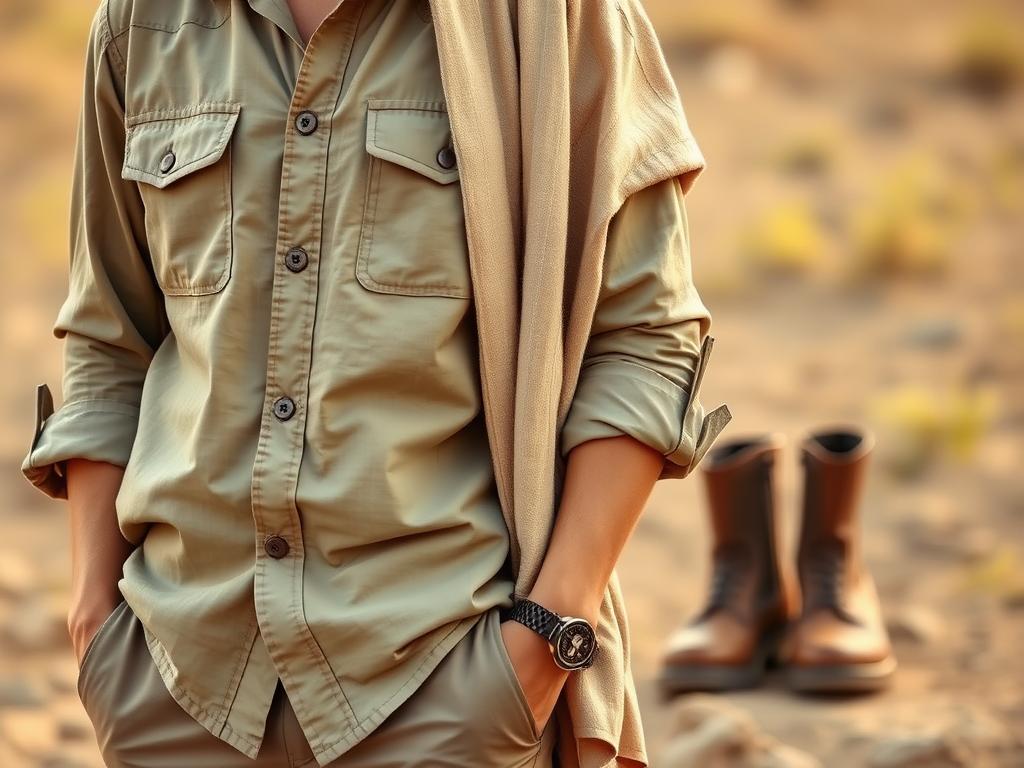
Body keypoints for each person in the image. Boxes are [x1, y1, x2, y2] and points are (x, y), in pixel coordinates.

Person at [21, 0, 731, 766]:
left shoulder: (553, 20)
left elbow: (644, 337)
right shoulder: (143, 22)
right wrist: (96, 623)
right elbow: (109, 336)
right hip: (179, 683)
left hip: (444, 681)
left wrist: (546, 632)